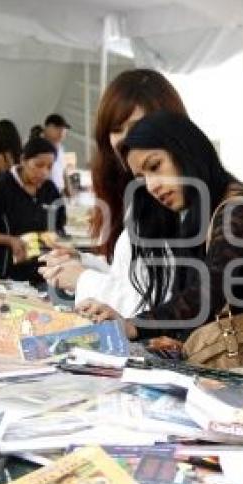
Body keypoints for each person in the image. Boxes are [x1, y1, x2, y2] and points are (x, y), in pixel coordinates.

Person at [74, 111, 243, 345]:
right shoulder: (206, 209)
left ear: (185, 150)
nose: (152, 186)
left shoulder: (237, 213)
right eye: (141, 179)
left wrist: (134, 325)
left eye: (155, 166)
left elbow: (206, 295)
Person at [39, 69, 188, 317]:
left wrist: (82, 278)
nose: (125, 140)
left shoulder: (174, 197)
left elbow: (153, 304)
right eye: (116, 129)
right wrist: (83, 261)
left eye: (138, 125)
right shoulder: (140, 192)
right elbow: (133, 277)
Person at [0, 136, 66, 284]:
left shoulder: (50, 189)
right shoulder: (1, 187)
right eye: (39, 165)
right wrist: (11, 240)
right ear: (23, 160)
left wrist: (56, 240)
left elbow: (59, 227)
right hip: (7, 274)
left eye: (49, 167)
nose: (44, 172)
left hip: (43, 274)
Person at [43, 113, 71, 193]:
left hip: (59, 192)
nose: (61, 132)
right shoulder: (39, 146)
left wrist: (68, 188)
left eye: (64, 129)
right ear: (47, 128)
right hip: (45, 192)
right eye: (57, 128)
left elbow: (64, 169)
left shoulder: (61, 148)